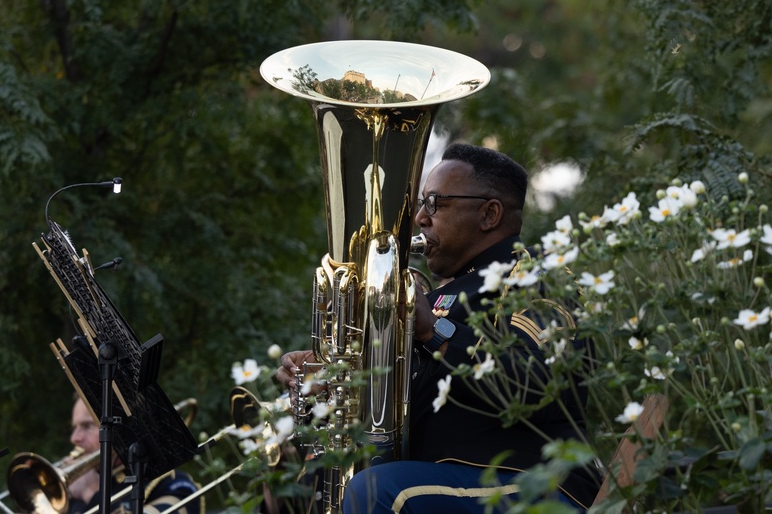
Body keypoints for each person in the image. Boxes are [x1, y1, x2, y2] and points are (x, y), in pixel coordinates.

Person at [276, 144, 600, 513]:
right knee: (314, 490)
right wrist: (329, 383)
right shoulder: (441, 295)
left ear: (489, 214)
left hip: (533, 482)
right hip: (440, 484)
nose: (419, 218)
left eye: (433, 204)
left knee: (378, 492)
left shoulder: (537, 275)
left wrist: (434, 331)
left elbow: (545, 384)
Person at [67, 396, 202, 514]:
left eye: (87, 426)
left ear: (123, 428)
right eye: (75, 427)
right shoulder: (73, 490)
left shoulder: (175, 484)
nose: (74, 438)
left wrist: (91, 492)